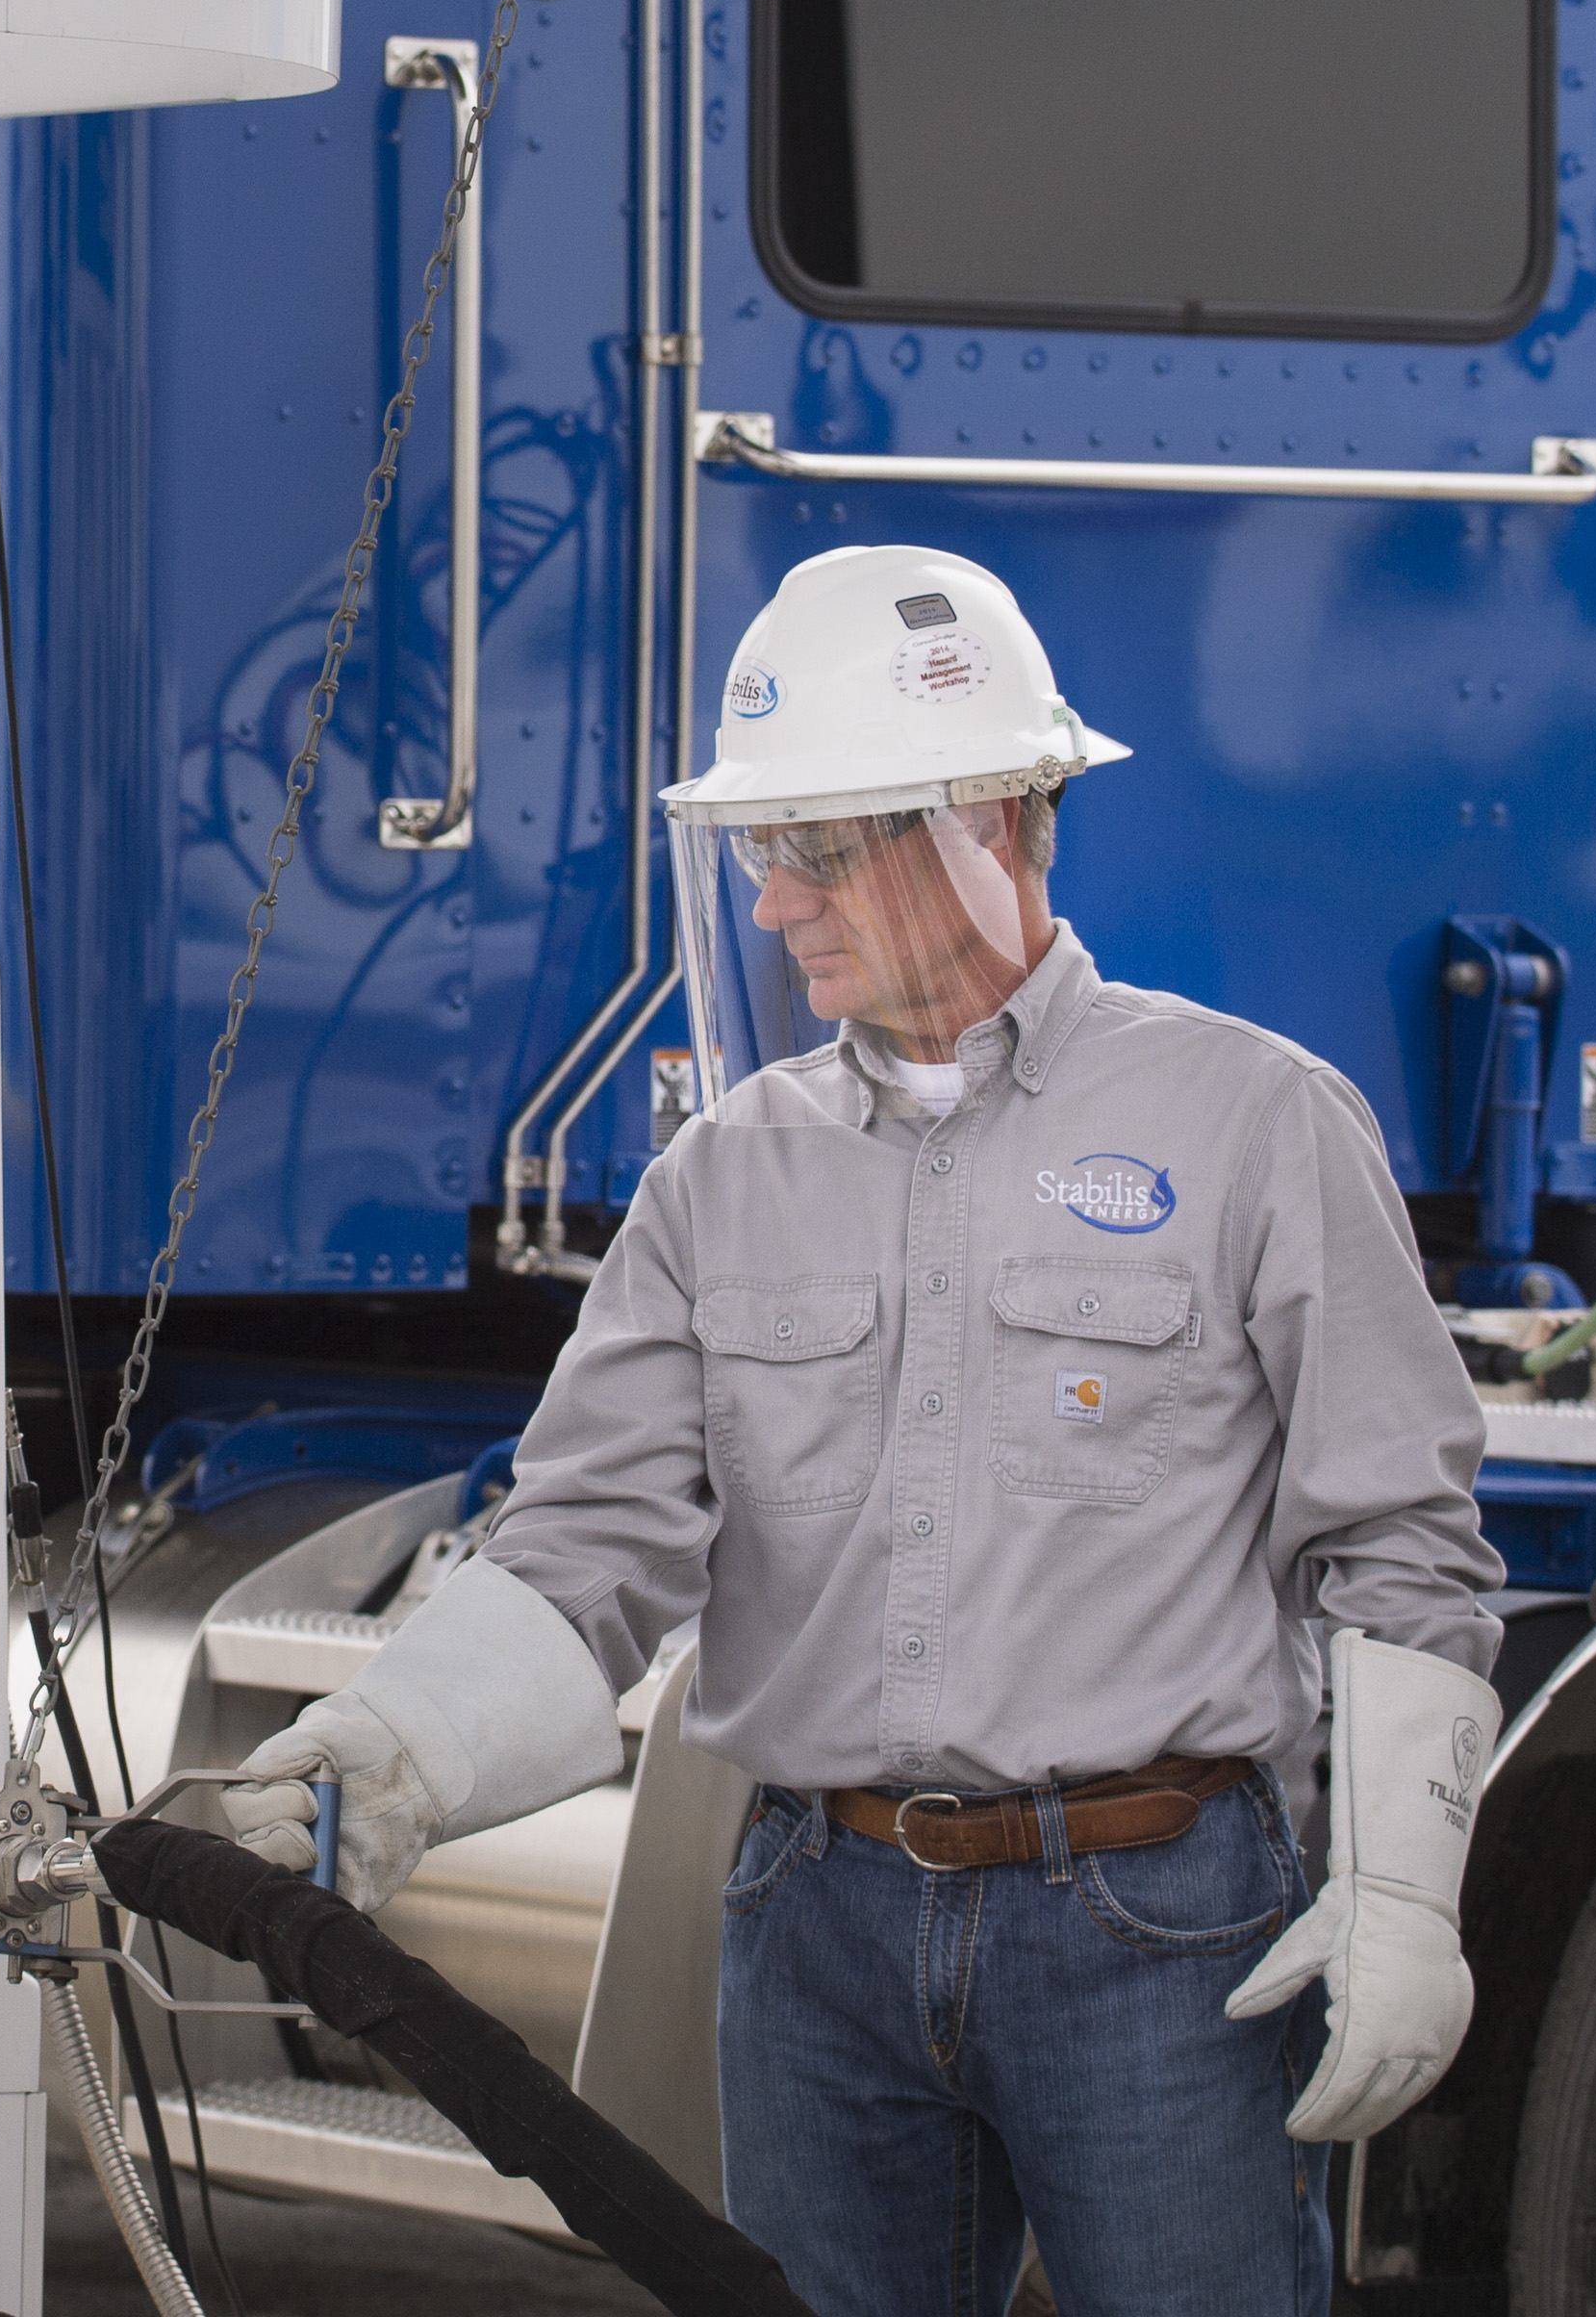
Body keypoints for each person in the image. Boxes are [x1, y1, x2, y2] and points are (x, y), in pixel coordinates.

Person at [226, 543, 1504, 2317]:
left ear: (991, 818)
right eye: (762, 853)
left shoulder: (1260, 1127)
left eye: (816, 850)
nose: (775, 904)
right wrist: (394, 1755)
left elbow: (1403, 1546)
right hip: (813, 1923)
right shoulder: (719, 1179)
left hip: (1157, 1932)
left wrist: (1401, 1890)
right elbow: (586, 1546)